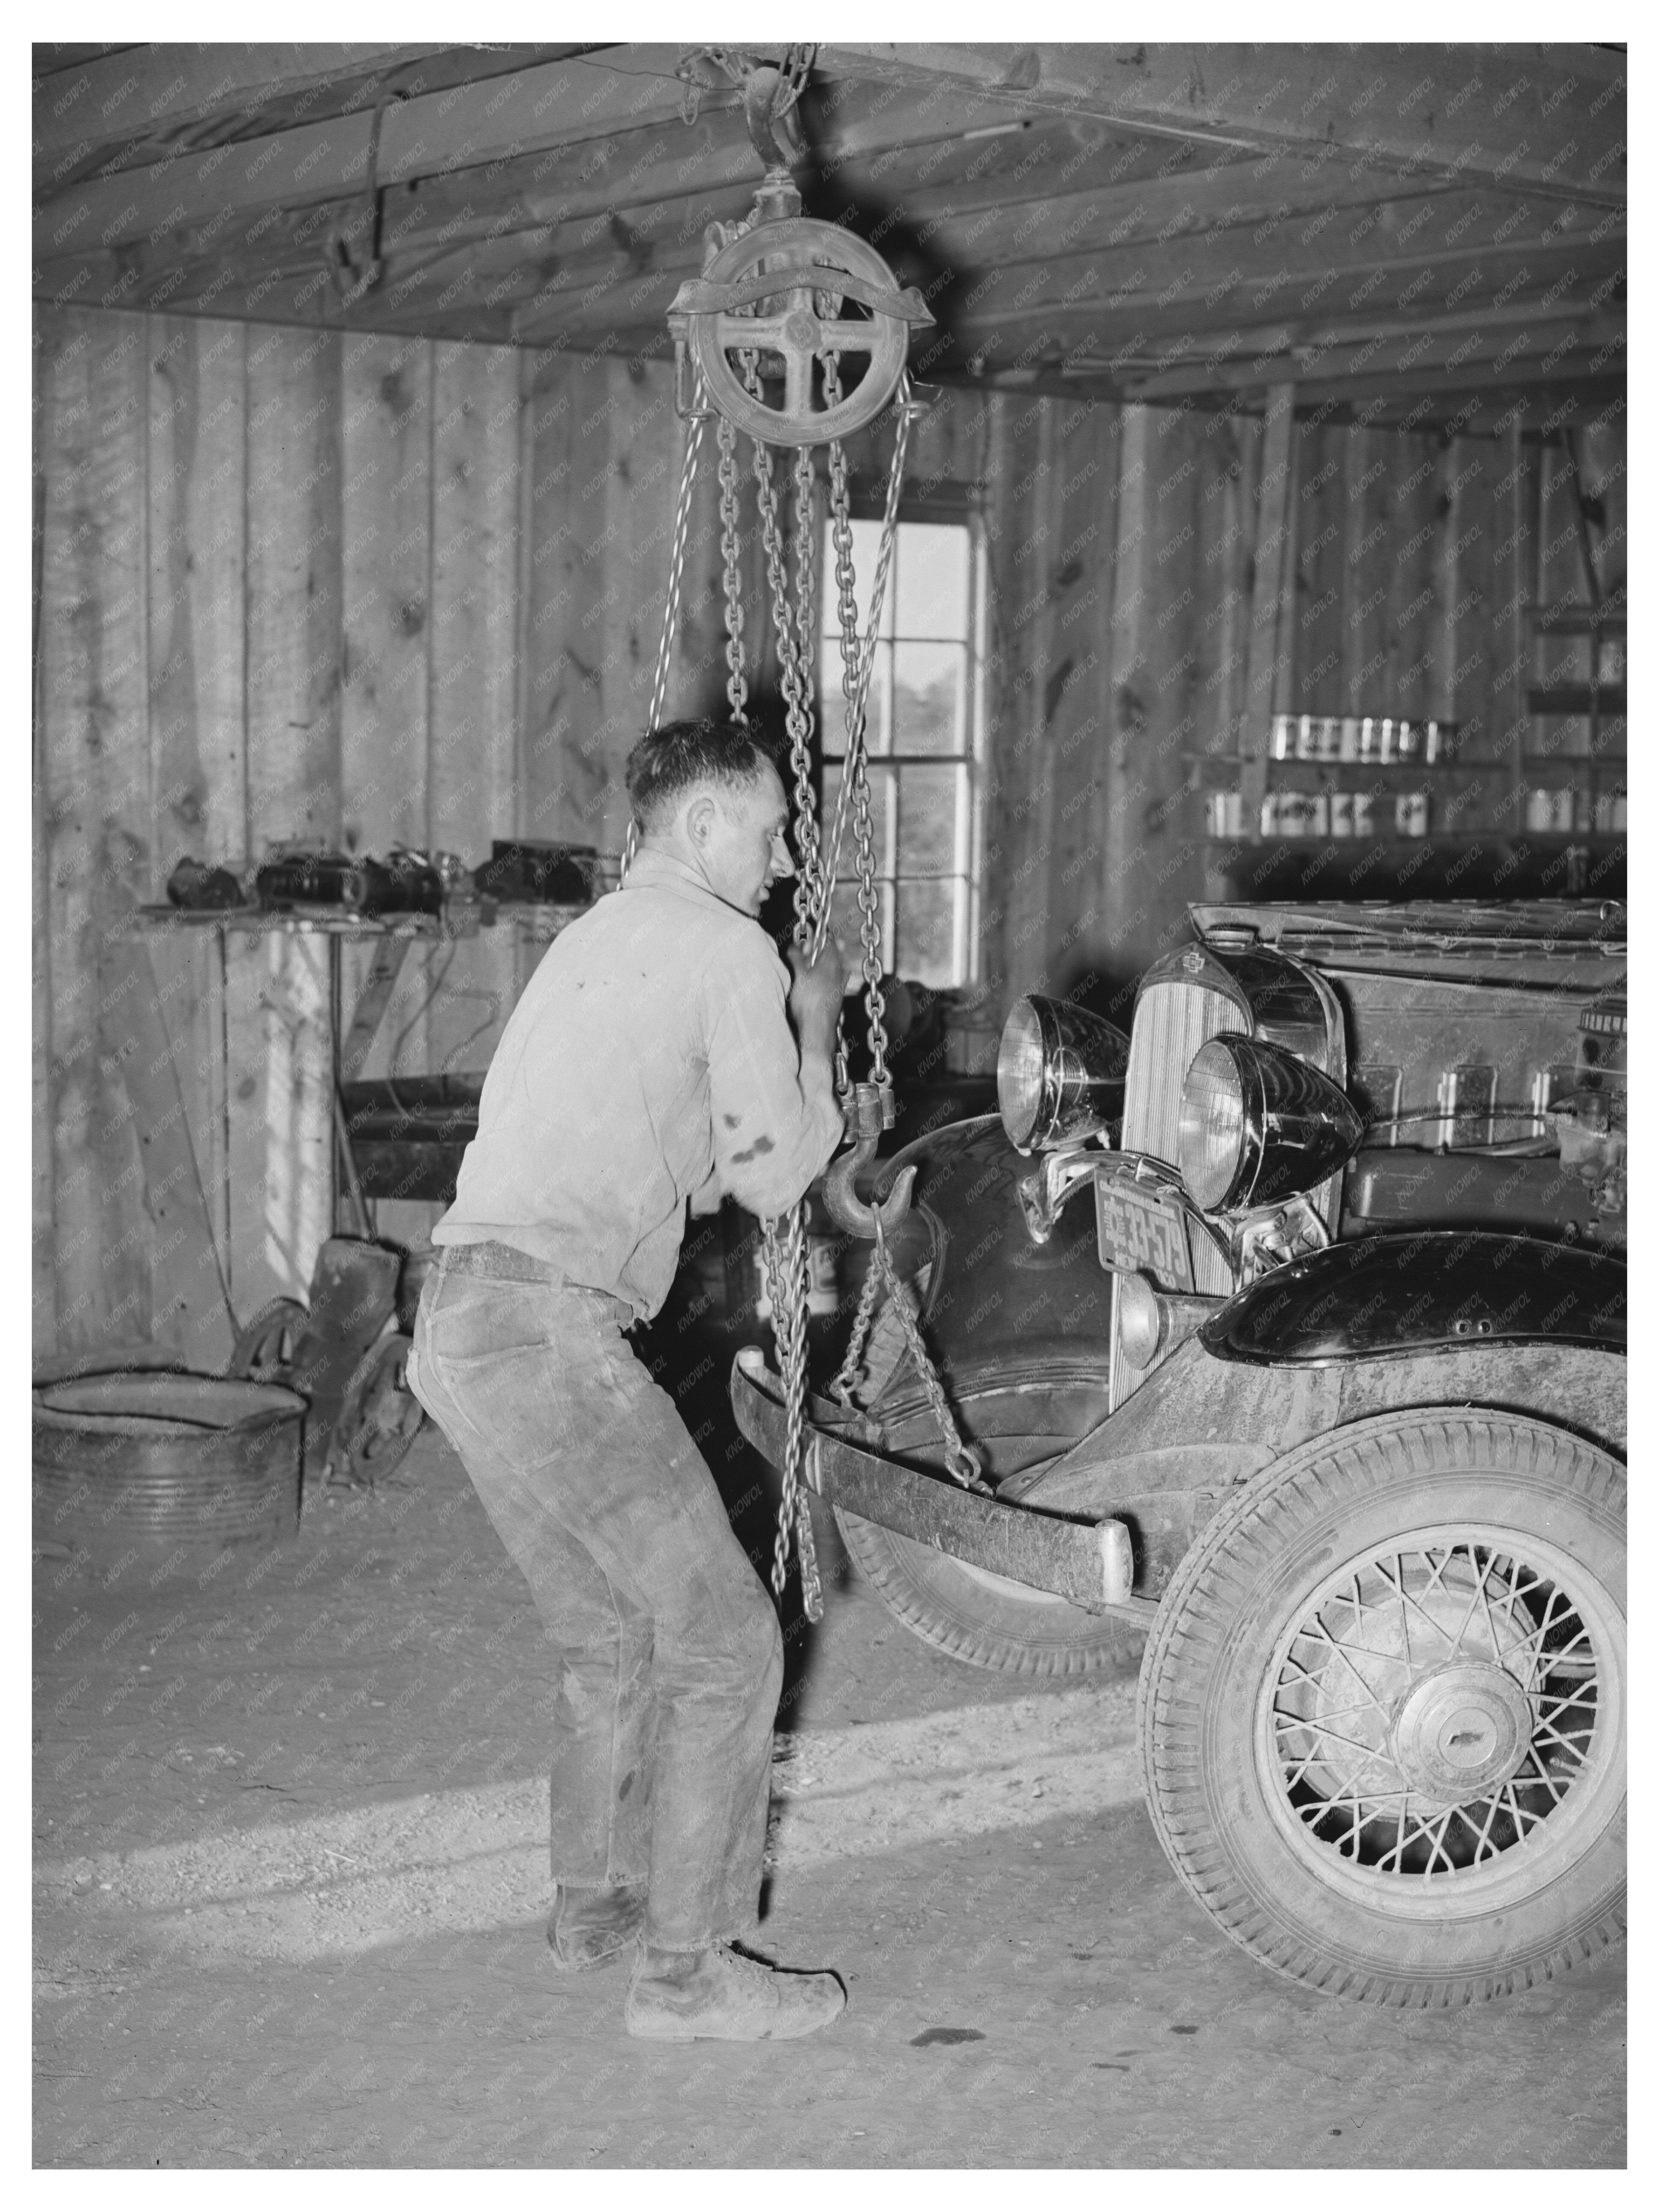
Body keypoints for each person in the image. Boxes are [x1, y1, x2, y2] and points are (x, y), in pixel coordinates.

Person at [408, 717, 848, 2042]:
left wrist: (782, 1126)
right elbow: (771, 1175)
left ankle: (590, 1909)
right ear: (704, 827)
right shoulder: (730, 949)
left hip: (458, 1324)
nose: (781, 859)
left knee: (606, 1638)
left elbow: (684, 1162)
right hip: (549, 1335)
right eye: (769, 830)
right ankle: (683, 1979)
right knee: (725, 1642)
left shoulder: (595, 938)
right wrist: (816, 1037)